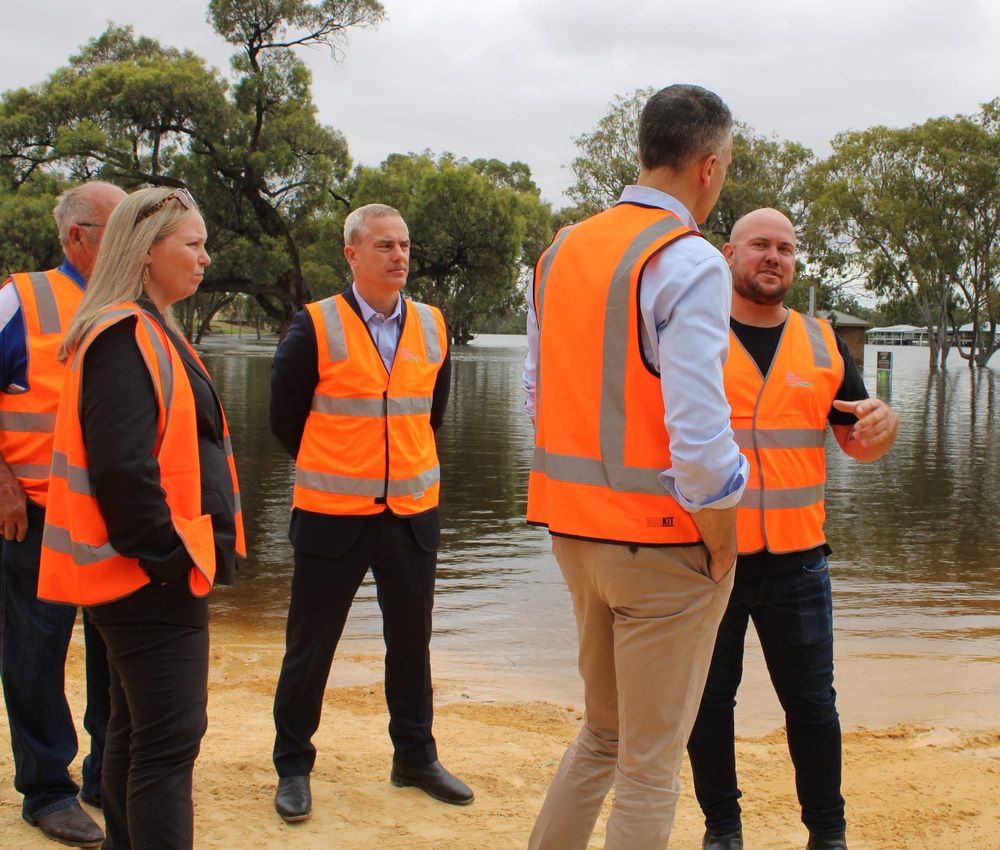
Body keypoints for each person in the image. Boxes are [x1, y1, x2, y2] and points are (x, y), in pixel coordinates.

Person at [523, 84, 749, 850]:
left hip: (574, 534)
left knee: (602, 736)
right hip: (660, 547)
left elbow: (537, 392)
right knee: (650, 768)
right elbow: (699, 433)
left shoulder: (563, 251)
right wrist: (721, 538)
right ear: (709, 167)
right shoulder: (687, 259)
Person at [36, 185, 246, 850]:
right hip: (148, 580)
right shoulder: (125, 335)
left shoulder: (151, 329)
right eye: (192, 244)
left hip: (149, 575)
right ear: (147, 253)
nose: (205, 257)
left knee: (133, 734)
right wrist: (170, 559)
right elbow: (123, 470)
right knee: (167, 747)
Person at [686, 208, 900, 850]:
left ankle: (827, 834)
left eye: (785, 247)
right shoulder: (693, 336)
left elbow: (856, 437)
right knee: (706, 706)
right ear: (729, 254)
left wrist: (881, 428)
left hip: (799, 562)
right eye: (760, 244)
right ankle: (723, 829)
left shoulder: (822, 341)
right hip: (708, 559)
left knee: (812, 707)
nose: (773, 256)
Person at [269, 203, 472, 823]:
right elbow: (285, 422)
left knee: (411, 645)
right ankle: (293, 765)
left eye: (405, 245)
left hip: (411, 515)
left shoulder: (434, 325)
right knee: (311, 647)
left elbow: (430, 415)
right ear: (351, 253)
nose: (399, 256)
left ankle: (414, 756)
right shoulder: (314, 327)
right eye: (384, 245)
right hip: (333, 515)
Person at [0, 181, 124, 847]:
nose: (133, 241)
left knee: (115, 650)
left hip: (116, 519)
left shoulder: (137, 302)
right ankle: (48, 789)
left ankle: (108, 772)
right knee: (34, 651)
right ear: (77, 237)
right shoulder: (20, 299)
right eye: (117, 227)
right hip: (40, 516)